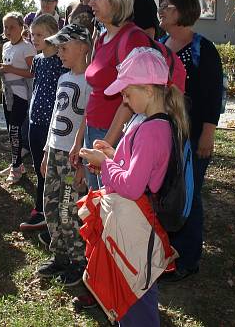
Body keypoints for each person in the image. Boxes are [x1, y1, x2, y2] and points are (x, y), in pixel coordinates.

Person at [79, 48, 189, 326]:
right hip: (137, 225)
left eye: (128, 94)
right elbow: (139, 170)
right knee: (131, 295)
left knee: (134, 298)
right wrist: (114, 155)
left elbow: (131, 186)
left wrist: (105, 164)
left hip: (139, 230)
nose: (124, 100)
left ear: (149, 90)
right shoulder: (151, 122)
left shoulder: (153, 129)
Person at [157, 0, 224, 282]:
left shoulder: (202, 49)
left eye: (166, 7)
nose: (161, 11)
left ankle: (188, 258)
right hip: (162, 135)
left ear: (182, 10)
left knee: (188, 197)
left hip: (193, 138)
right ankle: (166, 252)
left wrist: (207, 135)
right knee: (165, 195)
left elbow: (213, 97)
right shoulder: (159, 45)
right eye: (160, 6)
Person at [71, 0, 152, 191]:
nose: (90, 2)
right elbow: (94, 93)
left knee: (111, 203)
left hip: (114, 136)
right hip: (94, 131)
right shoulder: (102, 38)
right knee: (98, 202)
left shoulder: (132, 38)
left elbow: (131, 99)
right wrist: (79, 140)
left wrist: (105, 144)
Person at [35, 24, 91, 287]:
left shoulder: (92, 81)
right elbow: (56, 116)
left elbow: (88, 121)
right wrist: (47, 149)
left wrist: (80, 155)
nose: (59, 53)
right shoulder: (63, 77)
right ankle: (60, 256)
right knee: (51, 207)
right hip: (54, 151)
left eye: (64, 47)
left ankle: (78, 260)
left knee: (69, 210)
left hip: (72, 158)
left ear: (83, 47)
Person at [20, 14, 66, 232]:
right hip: (35, 120)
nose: (35, 38)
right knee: (38, 166)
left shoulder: (60, 60)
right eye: (32, 34)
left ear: (53, 35)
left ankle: (47, 209)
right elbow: (36, 86)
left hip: (52, 123)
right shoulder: (37, 60)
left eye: (39, 34)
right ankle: (40, 208)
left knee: (48, 168)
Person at [0, 12, 36, 184]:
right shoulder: (6, 46)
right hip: (7, 93)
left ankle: (16, 167)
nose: (8, 30)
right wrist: (0, 68)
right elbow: (8, 67)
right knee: (11, 131)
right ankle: (16, 163)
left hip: (21, 95)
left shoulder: (27, 47)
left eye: (12, 26)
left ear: (21, 27)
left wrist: (10, 69)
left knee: (15, 130)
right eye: (6, 27)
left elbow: (33, 72)